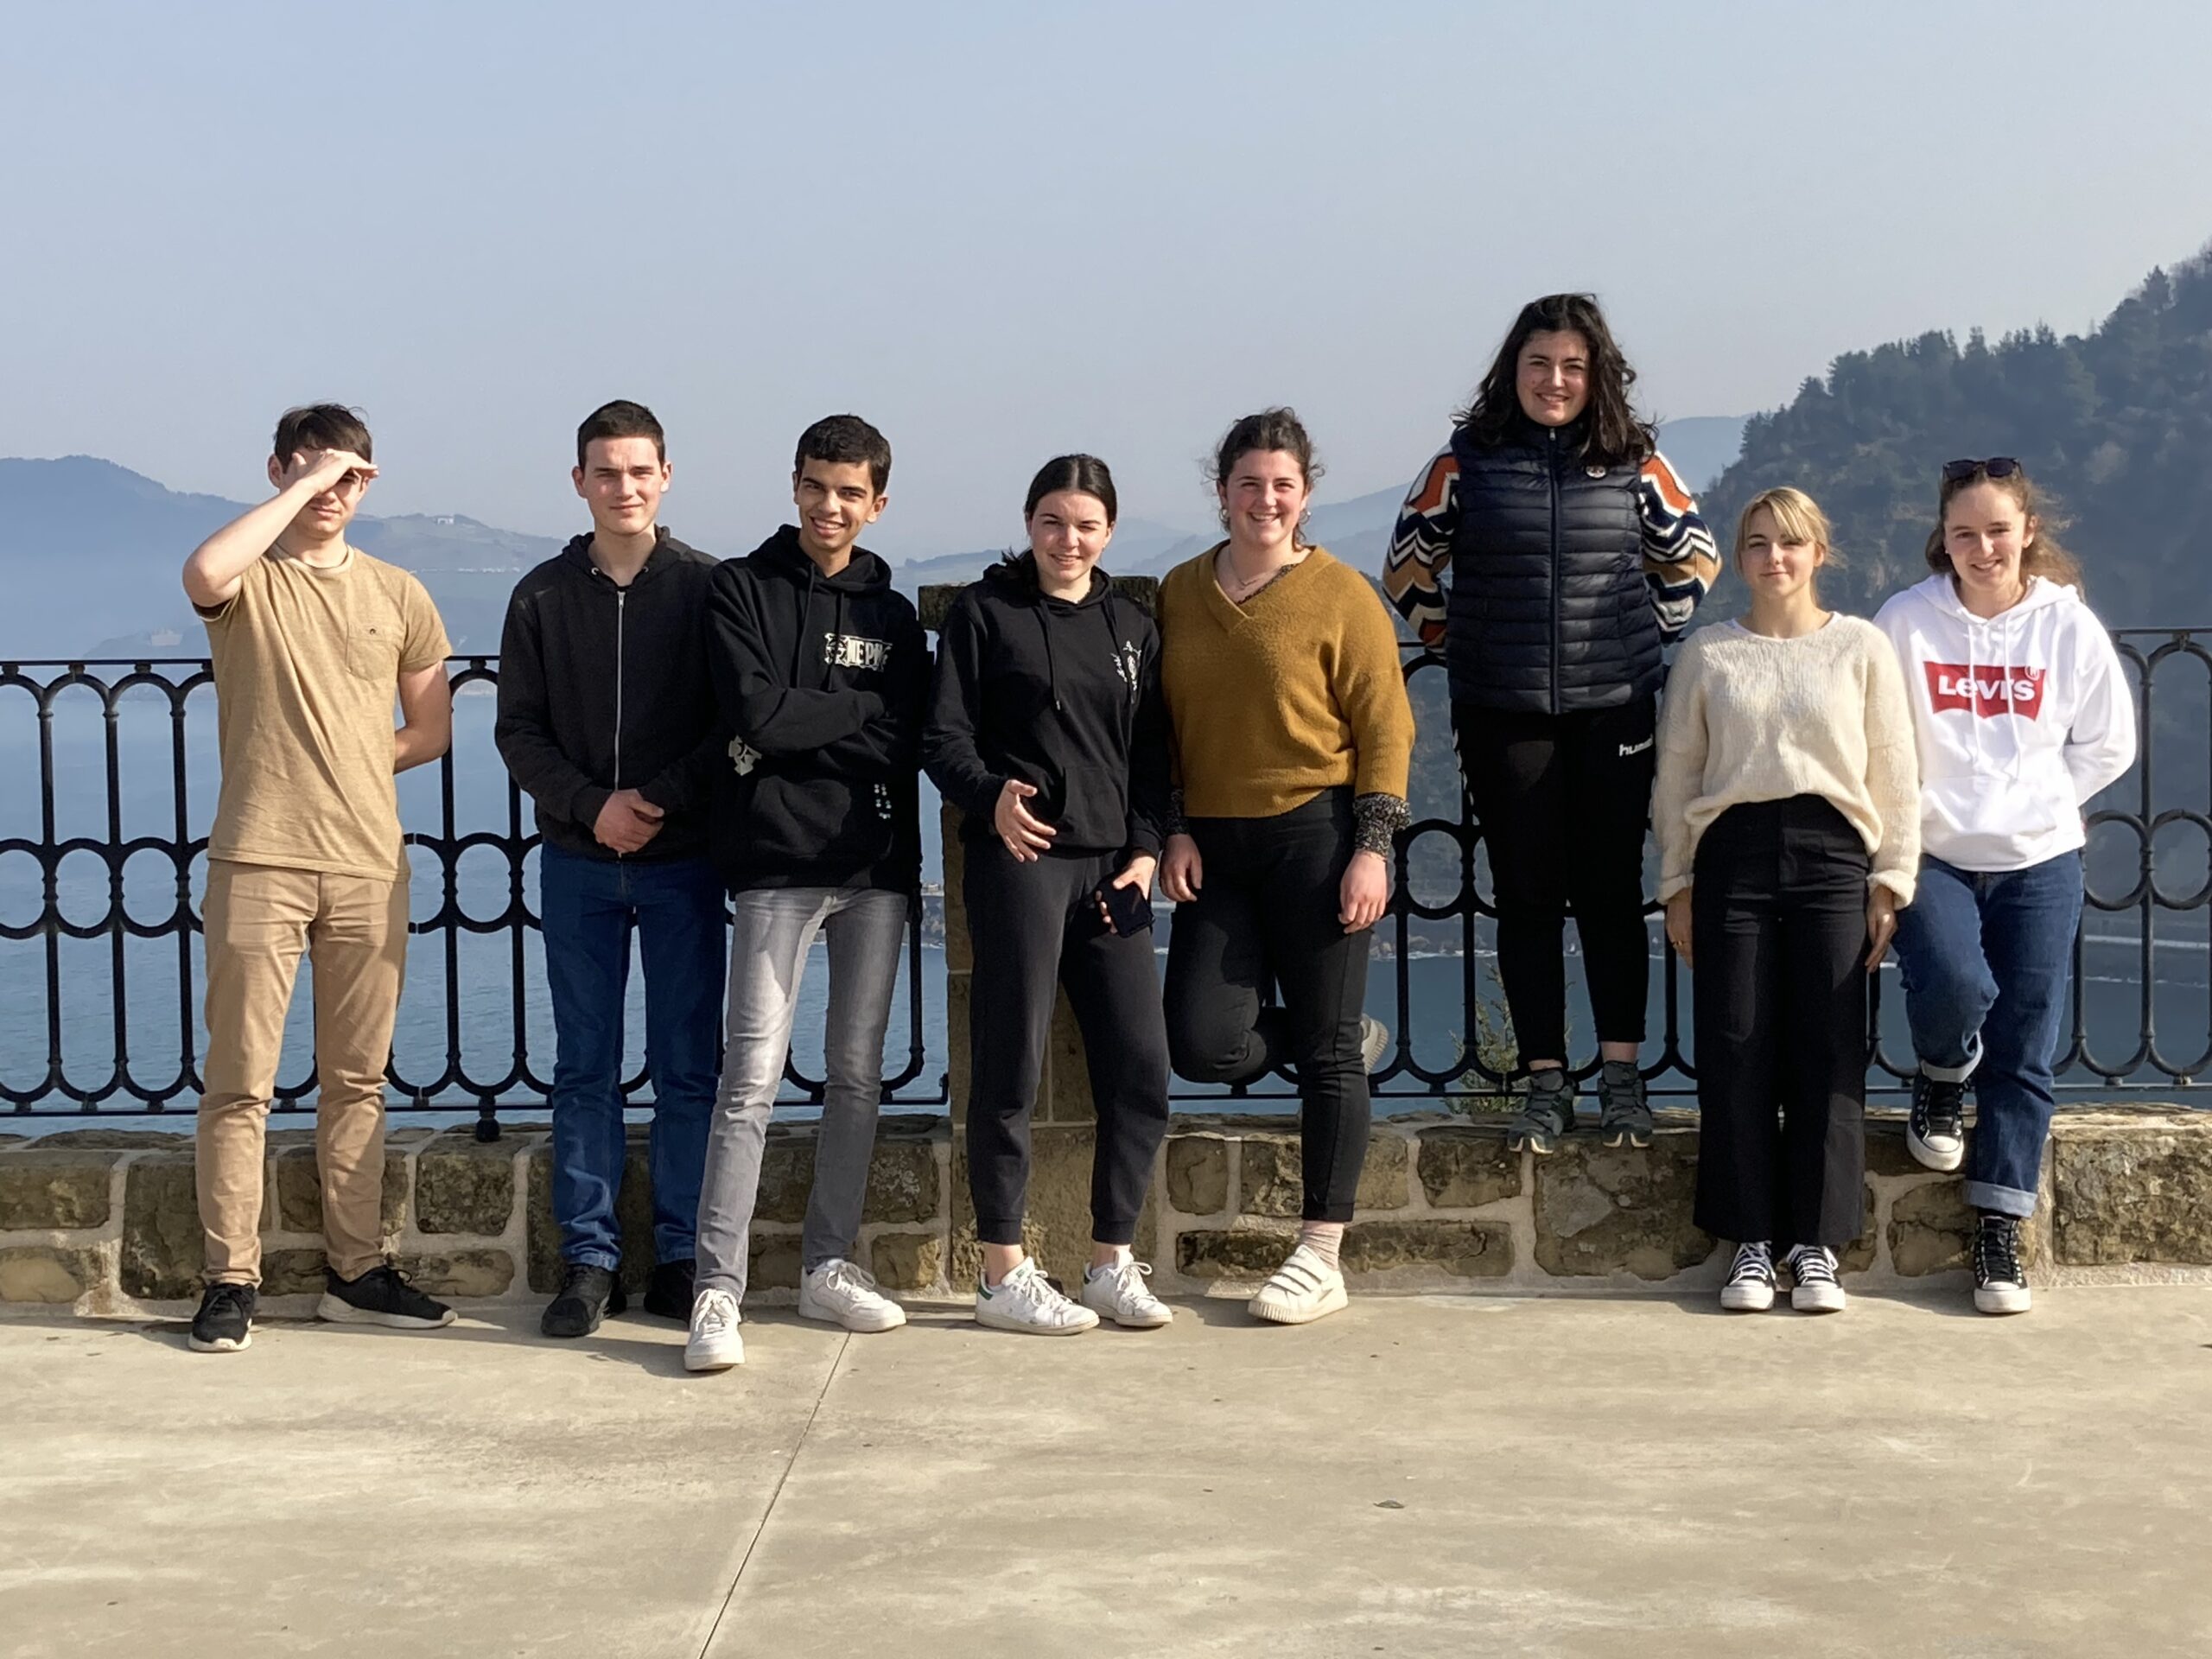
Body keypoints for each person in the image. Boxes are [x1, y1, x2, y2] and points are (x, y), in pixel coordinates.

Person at [1382, 293, 1720, 1154]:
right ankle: (1544, 1083)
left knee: (1610, 895)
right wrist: (1459, 642)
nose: (1555, 381)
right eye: (1539, 364)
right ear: (1513, 371)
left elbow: (1696, 559)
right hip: (1502, 713)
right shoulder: (1463, 463)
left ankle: (1621, 1082)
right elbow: (1406, 570)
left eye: (1573, 365)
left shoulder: (1637, 461)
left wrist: (1643, 636)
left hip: (1615, 709)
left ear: (1597, 374)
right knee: (1526, 898)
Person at [178, 404, 456, 1353]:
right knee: (239, 1082)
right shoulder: (250, 579)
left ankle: (357, 1270)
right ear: (280, 471)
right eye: (313, 471)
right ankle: (229, 1279)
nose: (334, 491)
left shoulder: (399, 591)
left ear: (369, 483)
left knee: (357, 1082)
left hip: (368, 863)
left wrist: (349, 762)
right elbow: (202, 574)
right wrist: (304, 481)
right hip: (258, 856)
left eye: (350, 476)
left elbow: (430, 728)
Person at [1160, 408, 1414, 1326]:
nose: (1264, 500)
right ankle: (1338, 1037)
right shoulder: (1180, 592)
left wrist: (1372, 849)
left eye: (1282, 485)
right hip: (1214, 848)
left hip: (1317, 834)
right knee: (1201, 1041)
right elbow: (1160, 727)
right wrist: (1175, 829)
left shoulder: (1343, 595)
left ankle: (1319, 1251)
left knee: (1325, 1054)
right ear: (1221, 491)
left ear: (1305, 496)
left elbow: (1386, 727)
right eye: (1248, 484)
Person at [684, 415, 928, 1371]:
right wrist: (858, 712)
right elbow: (755, 715)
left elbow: (906, 738)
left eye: (850, 492)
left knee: (857, 1074)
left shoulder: (893, 616)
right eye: (817, 487)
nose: (831, 506)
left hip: (875, 867)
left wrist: (805, 726)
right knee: (750, 1078)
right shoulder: (739, 589)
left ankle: (828, 1265)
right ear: (794, 486)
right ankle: (718, 1288)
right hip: (775, 863)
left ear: (878, 503)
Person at [1876, 457, 2135, 1315]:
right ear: (1942, 538)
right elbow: (1878, 733)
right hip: (1937, 849)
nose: (1982, 548)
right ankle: (1942, 1069)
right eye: (1964, 533)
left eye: (1996, 530)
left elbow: (2109, 740)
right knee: (1955, 982)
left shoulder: (2067, 626)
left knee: (2025, 1040)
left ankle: (1998, 1230)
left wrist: (2043, 799)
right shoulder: (1905, 622)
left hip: (2041, 855)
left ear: (2028, 530)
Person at [925, 454, 1175, 1335]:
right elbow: (942, 737)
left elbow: (1153, 756)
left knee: (1140, 1068)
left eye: (1086, 525)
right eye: (1052, 522)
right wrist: (990, 796)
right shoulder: (983, 615)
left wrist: (1145, 856)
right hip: (1022, 863)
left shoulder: (1132, 627)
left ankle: (1110, 1262)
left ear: (1110, 532)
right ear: (1029, 523)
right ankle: (1002, 1272)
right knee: (1010, 1063)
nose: (1068, 540)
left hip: (1112, 872)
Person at [1655, 489, 1919, 1314]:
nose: (1776, 557)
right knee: (1735, 1042)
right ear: (1740, 558)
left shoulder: (1860, 647)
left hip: (1833, 854)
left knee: (1829, 1047)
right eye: (1760, 543)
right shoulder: (1709, 654)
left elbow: (1893, 766)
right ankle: (1748, 1241)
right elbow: (1678, 774)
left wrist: (1891, 878)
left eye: (1792, 542)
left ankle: (1815, 1245)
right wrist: (1676, 883)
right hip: (1731, 855)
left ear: (1819, 553)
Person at [495, 400, 726, 1338]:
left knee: (688, 1067)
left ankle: (680, 1257)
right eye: (606, 471)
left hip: (682, 860)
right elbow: (518, 729)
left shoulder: (709, 590)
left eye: (638, 471)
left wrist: (654, 800)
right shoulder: (540, 597)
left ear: (665, 477)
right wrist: (594, 805)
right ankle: (588, 1260)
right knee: (582, 1066)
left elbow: (732, 724)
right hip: (577, 861)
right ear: (579, 481)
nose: (623, 487)